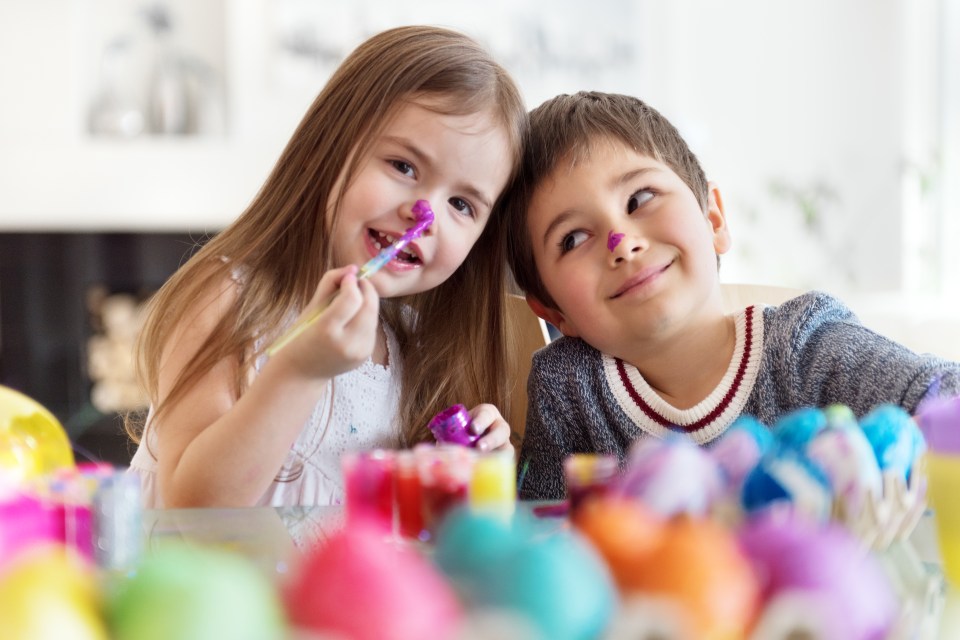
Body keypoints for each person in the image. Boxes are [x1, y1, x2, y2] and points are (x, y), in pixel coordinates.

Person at [126, 26, 527, 508]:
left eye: (462, 204)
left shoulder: (418, 354)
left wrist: (476, 479)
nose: (424, 216)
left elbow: (412, 544)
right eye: (403, 166)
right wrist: (300, 369)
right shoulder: (228, 299)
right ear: (329, 146)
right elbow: (194, 508)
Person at [502, 91, 960, 500]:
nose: (622, 243)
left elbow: (947, 395)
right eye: (573, 238)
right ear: (554, 312)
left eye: (640, 199)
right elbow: (543, 534)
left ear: (714, 220)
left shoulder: (805, 346)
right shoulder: (567, 388)